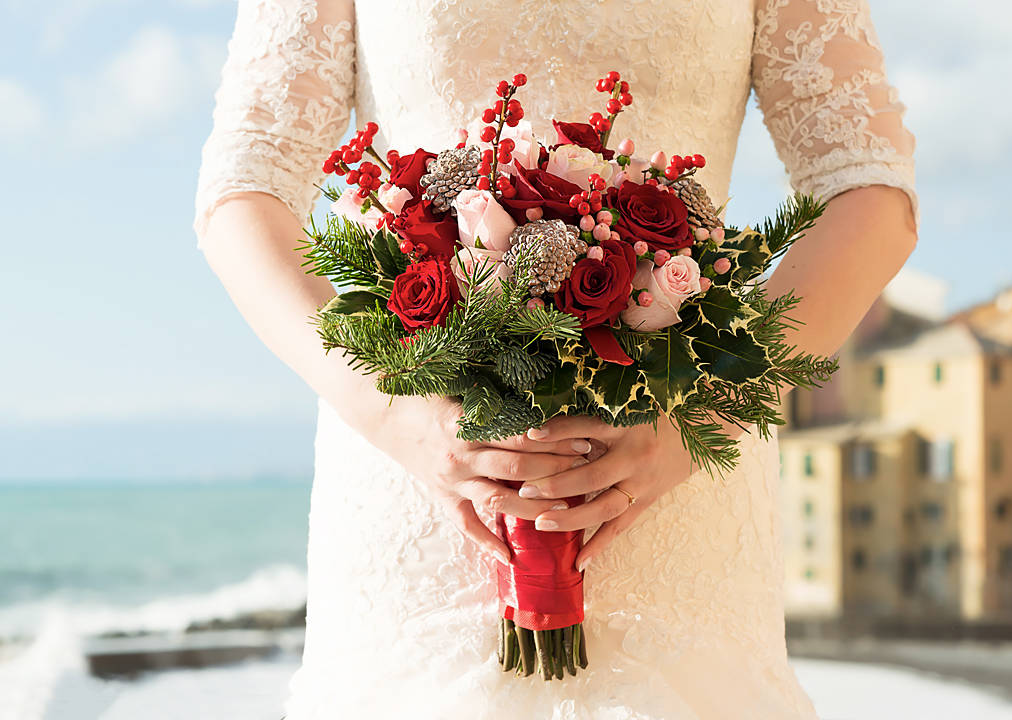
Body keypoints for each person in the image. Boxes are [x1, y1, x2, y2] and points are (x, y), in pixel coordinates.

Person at [193, 1, 917, 717]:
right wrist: (391, 414)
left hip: (678, 463)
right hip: (419, 467)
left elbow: (871, 186)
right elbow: (243, 187)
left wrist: (710, 411)